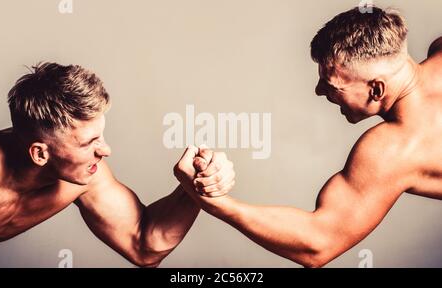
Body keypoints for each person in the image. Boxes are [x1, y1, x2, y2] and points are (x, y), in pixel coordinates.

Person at [189, 6, 442, 267]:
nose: (319, 91)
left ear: (376, 89)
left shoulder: (394, 151)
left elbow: (318, 242)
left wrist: (220, 205)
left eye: (332, 86)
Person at [0, 62, 235, 267]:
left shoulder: (85, 178)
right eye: (89, 143)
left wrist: (196, 184)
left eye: (101, 137)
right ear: (40, 154)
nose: (106, 150)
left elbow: (143, 246)